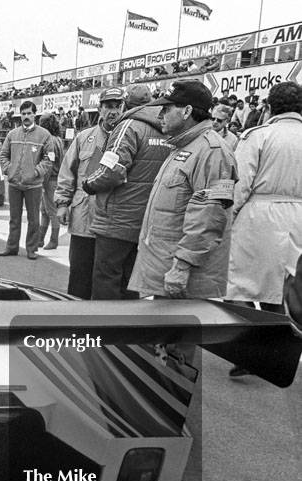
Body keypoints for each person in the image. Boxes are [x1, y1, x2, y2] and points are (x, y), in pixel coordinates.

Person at [129, 80, 238, 301]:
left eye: (166, 109)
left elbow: (210, 217)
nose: (160, 115)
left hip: (183, 280)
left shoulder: (212, 152)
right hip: (166, 271)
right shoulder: (185, 146)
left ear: (187, 111)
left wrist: (181, 267)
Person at [225, 81, 302, 375]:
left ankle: (251, 351)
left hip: (261, 215)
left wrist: (227, 219)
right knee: (280, 289)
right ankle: (275, 352)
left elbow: (240, 183)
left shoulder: (259, 136)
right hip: (299, 216)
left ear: (269, 107)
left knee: (238, 283)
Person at [82, 84, 171, 300]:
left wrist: (89, 184)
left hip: (117, 217)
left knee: (106, 278)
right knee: (130, 280)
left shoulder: (128, 126)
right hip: (148, 217)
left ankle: (106, 330)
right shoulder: (167, 130)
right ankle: (129, 328)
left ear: (125, 104)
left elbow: (111, 171)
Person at [54, 87, 125, 299]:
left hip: (114, 220)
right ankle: (77, 322)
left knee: (110, 280)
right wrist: (63, 204)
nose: (113, 112)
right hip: (83, 217)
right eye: (108, 107)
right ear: (100, 109)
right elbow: (68, 172)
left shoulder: (130, 136)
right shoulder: (84, 137)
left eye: (117, 106)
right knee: (79, 276)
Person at [0, 100, 53, 259]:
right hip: (14, 183)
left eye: (29, 113)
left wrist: (35, 172)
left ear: (35, 114)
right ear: (20, 115)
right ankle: (12, 247)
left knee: (33, 219)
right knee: (14, 219)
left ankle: (31, 249)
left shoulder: (44, 135)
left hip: (33, 185)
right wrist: (10, 170)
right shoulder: (12, 134)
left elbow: (48, 159)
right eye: (23, 114)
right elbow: (3, 155)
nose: (26, 116)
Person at [37, 113, 63, 250]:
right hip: (55, 177)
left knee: (51, 211)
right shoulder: (57, 139)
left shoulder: (49, 141)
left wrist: (42, 183)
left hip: (50, 179)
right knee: (45, 210)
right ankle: (40, 239)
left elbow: (49, 164)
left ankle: (53, 240)